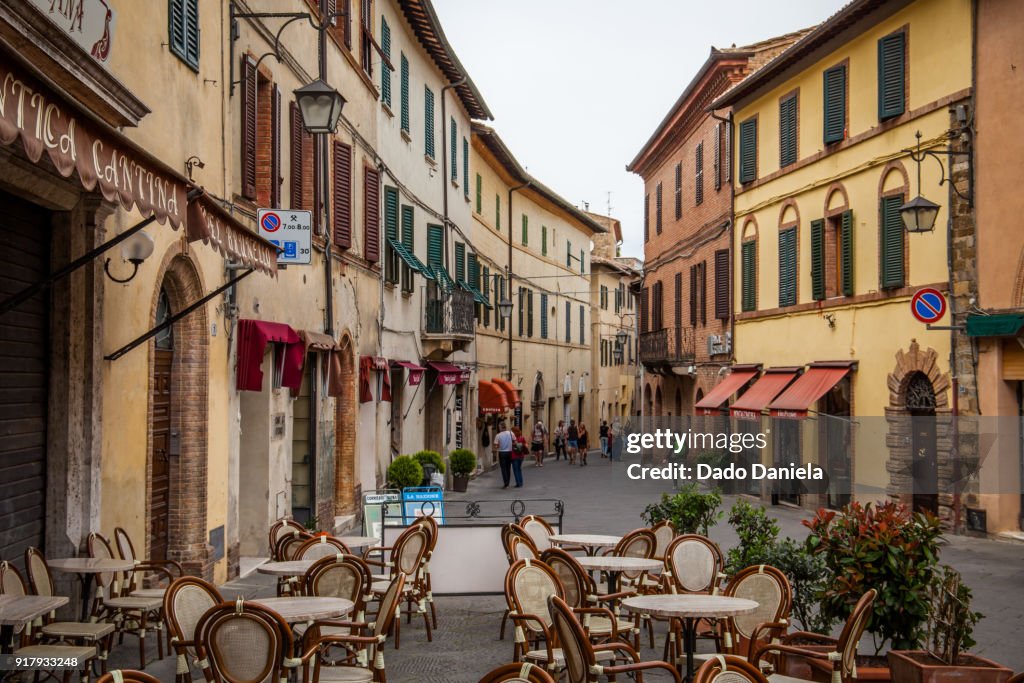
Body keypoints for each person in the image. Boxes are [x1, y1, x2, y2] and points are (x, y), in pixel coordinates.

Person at [495, 423, 514, 488]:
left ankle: (506, 483)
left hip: (502, 453)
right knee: (508, 468)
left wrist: (498, 446)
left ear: (501, 427)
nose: (499, 428)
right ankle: (508, 482)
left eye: (499, 427)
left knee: (503, 468)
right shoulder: (511, 433)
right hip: (509, 452)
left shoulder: (498, 435)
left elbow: (496, 445)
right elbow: (515, 441)